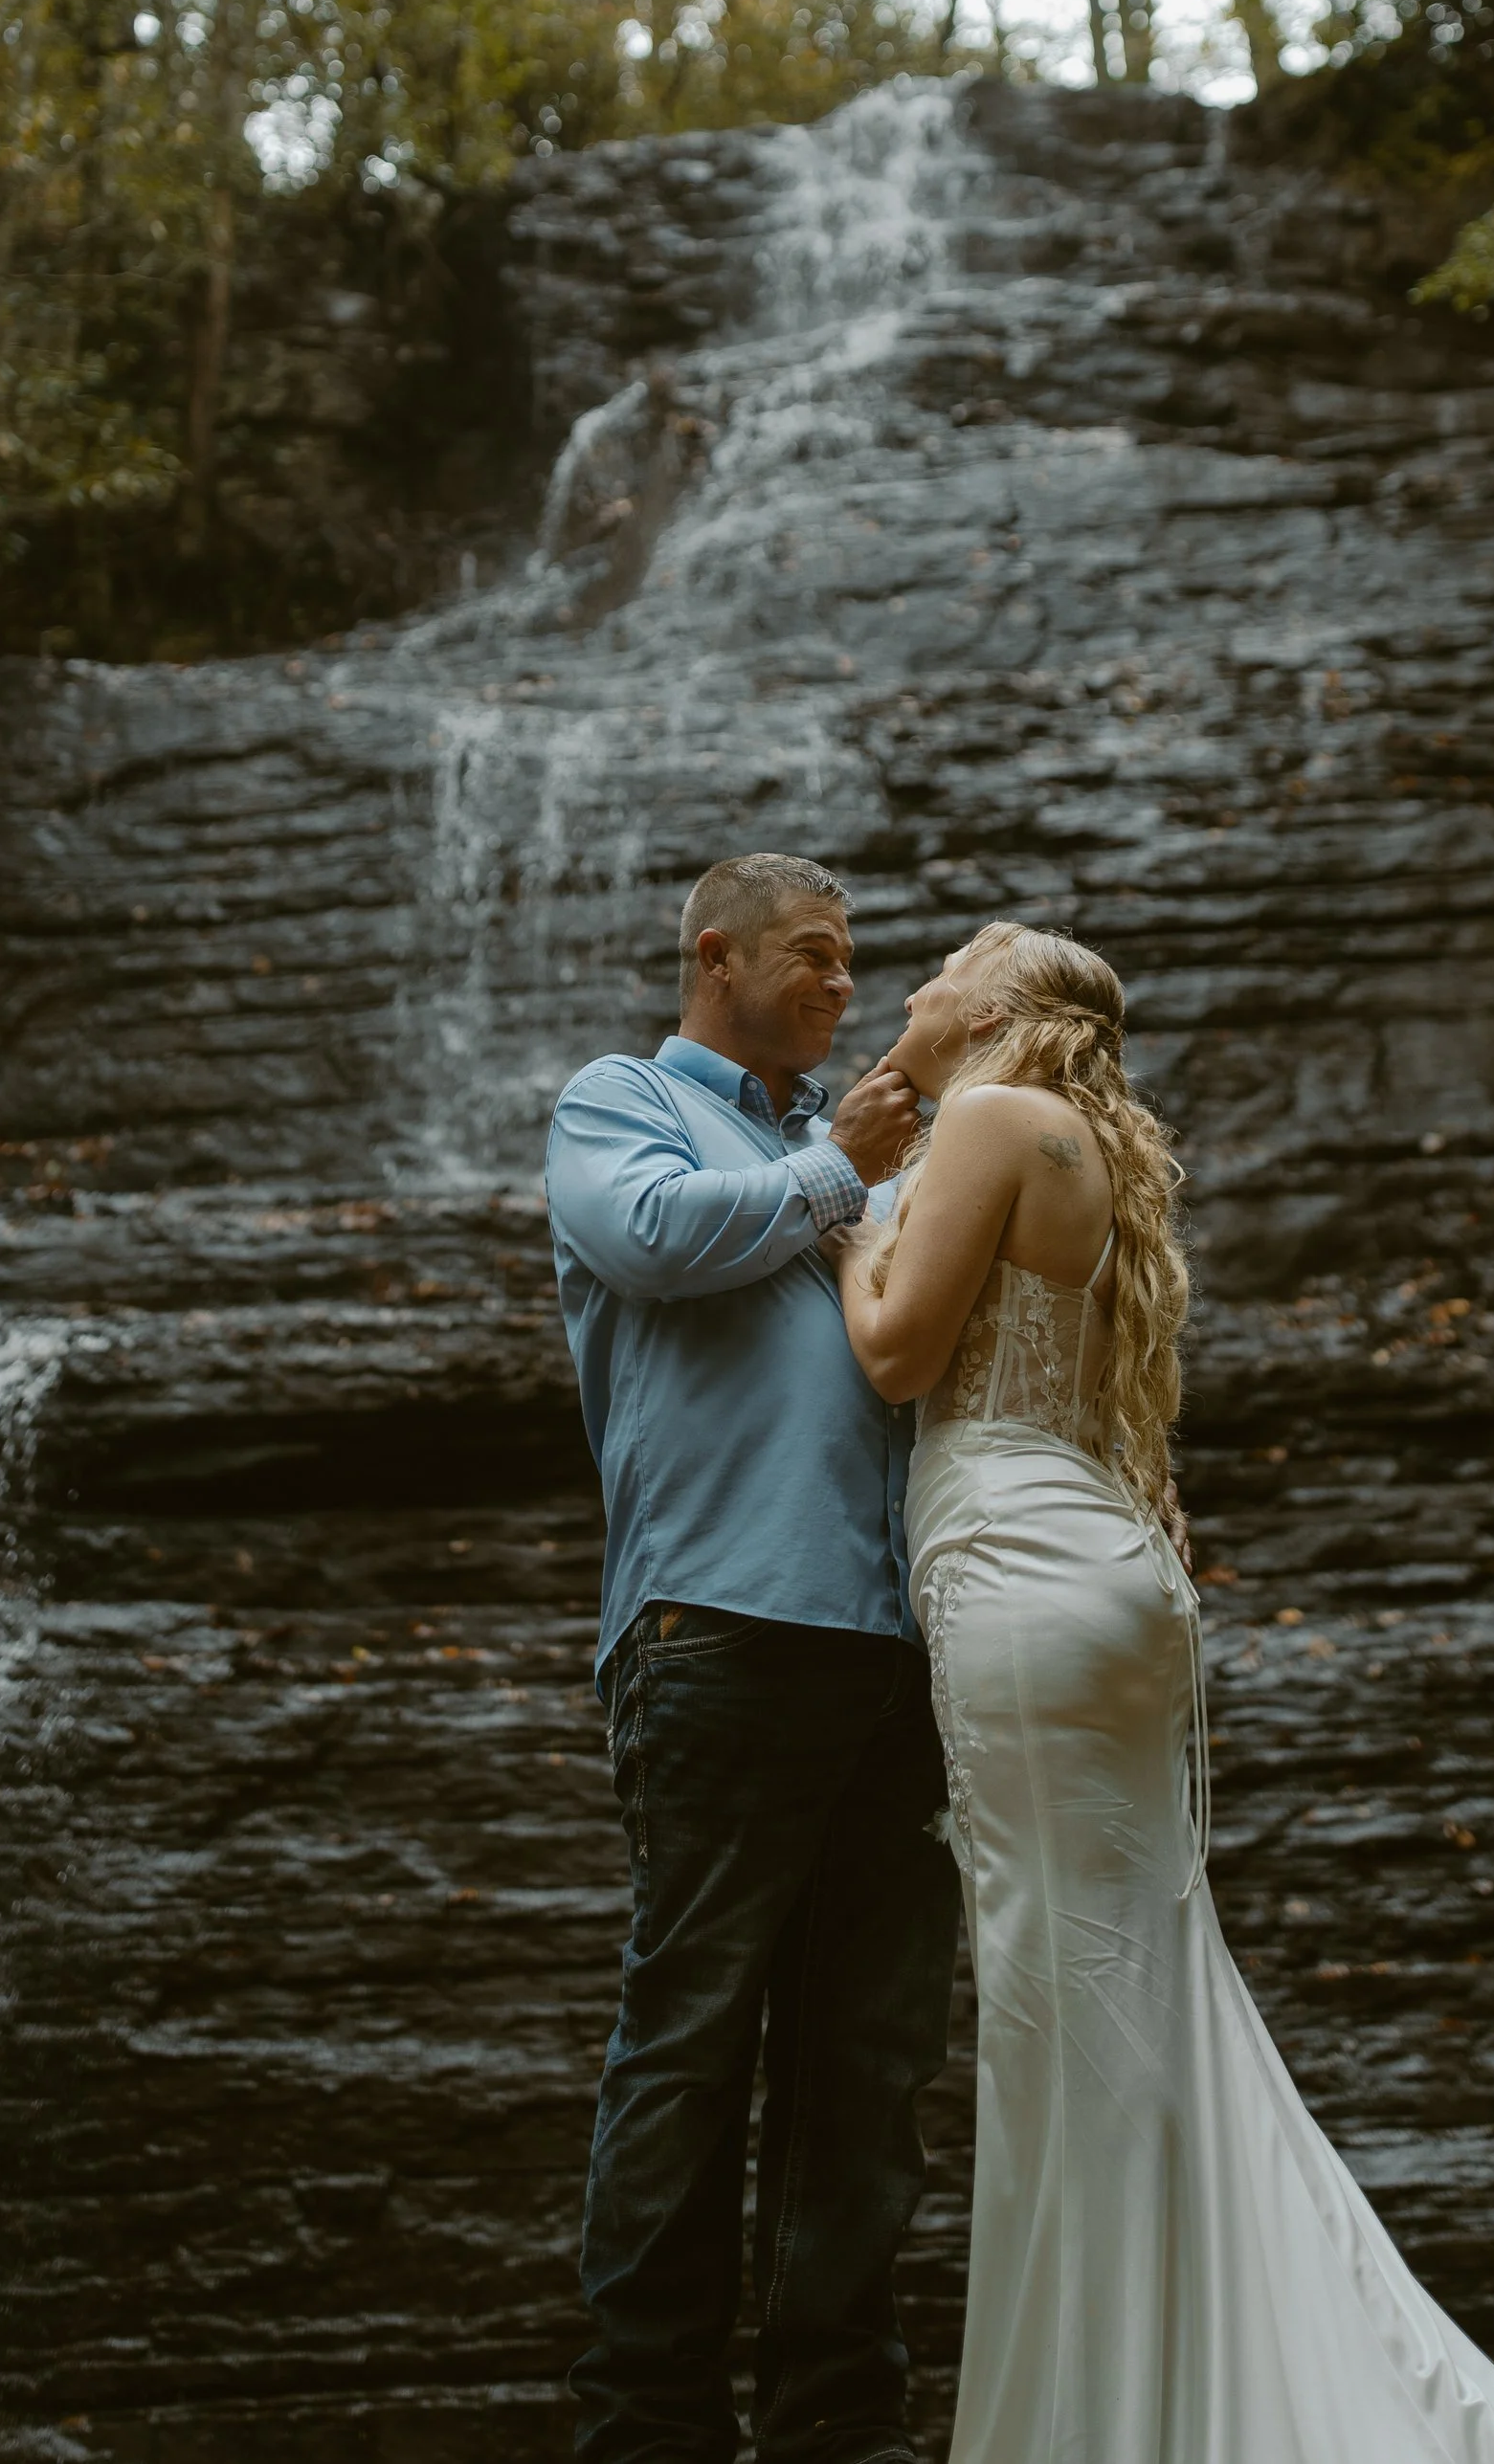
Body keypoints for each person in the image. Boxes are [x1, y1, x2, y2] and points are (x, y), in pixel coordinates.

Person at [836, 919, 1494, 2464]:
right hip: (1105, 1576)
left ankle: (1104, 2422)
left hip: (1017, 1576)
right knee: (1142, 1999)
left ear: (995, 1008)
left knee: (1060, 2009)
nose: (912, 992)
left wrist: (833, 1213)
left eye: (940, 970)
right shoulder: (1094, 1148)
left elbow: (896, 1350)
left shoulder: (993, 1116)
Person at [546, 853, 956, 2464]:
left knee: (869, 2054)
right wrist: (839, 1169)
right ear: (714, 954)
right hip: (718, 1627)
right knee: (695, 2032)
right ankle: (647, 2425)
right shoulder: (624, 1099)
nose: (840, 986)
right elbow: (645, 1238)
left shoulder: (843, 1157)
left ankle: (839, 2424)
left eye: (854, 965)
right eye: (812, 955)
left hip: (897, 1649)